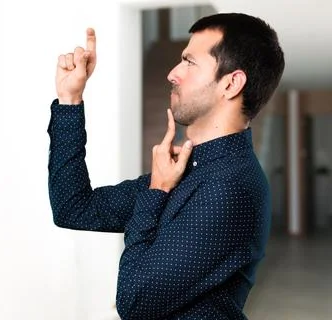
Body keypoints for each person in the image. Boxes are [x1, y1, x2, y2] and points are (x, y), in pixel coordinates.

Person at [47, 12, 284, 320]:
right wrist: (70, 101)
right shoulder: (189, 169)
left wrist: (157, 191)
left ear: (231, 83)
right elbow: (74, 208)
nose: (173, 73)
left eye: (189, 62)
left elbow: (134, 302)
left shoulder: (229, 187)